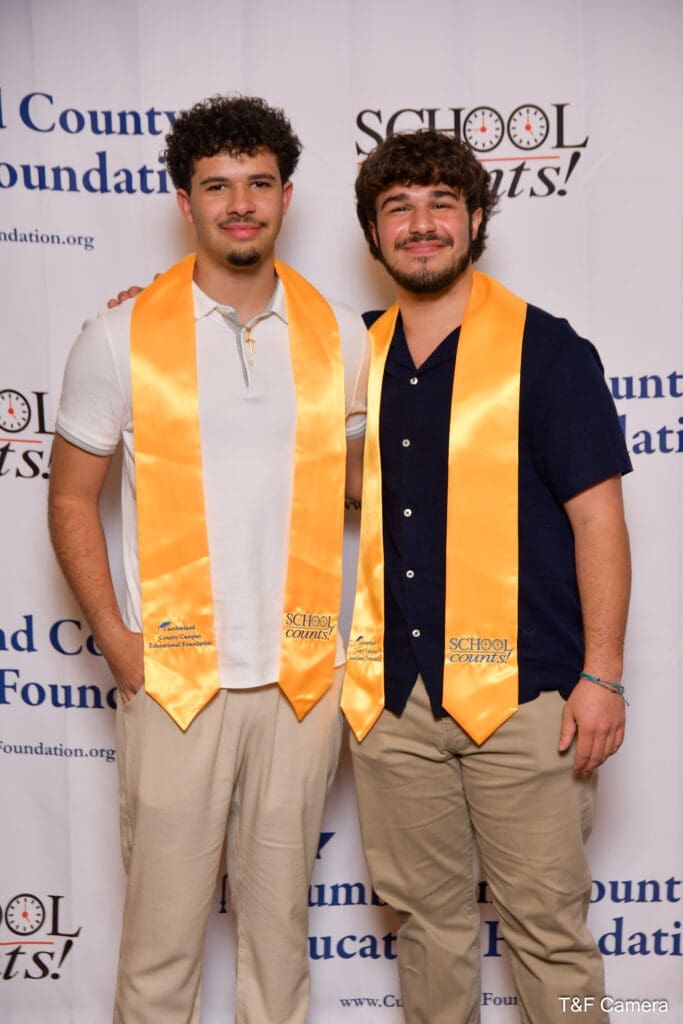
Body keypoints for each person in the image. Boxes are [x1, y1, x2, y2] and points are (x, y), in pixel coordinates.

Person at [48, 94, 367, 1024]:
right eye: (217, 185)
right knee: (161, 946)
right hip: (177, 679)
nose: (240, 203)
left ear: (286, 197)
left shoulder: (342, 334)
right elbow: (69, 498)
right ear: (184, 202)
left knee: (280, 945)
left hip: (301, 678)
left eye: (258, 183)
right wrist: (118, 640)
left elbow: (362, 483)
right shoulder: (118, 336)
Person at [341, 129, 631, 1024]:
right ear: (374, 233)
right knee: (426, 931)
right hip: (394, 700)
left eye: (440, 203)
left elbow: (598, 520)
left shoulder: (546, 350)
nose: (420, 224)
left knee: (548, 933)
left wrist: (601, 675)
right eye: (397, 208)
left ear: (474, 219)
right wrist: (153, 311)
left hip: (526, 697)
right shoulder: (348, 355)